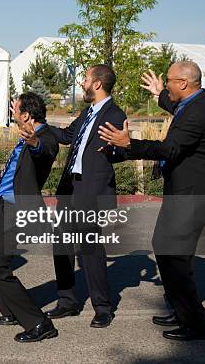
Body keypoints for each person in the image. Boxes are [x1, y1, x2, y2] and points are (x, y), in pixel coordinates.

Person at [98, 61, 205, 341]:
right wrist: (158, 95)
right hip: (185, 195)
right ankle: (181, 310)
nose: (165, 85)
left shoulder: (197, 111)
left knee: (172, 256)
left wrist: (128, 144)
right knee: (172, 255)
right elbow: (177, 106)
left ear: (184, 84)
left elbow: (169, 148)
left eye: (168, 81)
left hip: (191, 198)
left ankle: (196, 324)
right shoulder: (194, 101)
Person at [0, 92, 60, 343]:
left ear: (27, 115)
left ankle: (40, 323)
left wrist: (35, 143)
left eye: (16, 111)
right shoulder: (26, 132)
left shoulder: (44, 137)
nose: (13, 114)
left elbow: (45, 151)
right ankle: (11, 311)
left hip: (15, 209)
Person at [46, 64, 127, 328]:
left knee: (90, 249)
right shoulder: (87, 113)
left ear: (97, 83)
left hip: (90, 192)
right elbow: (68, 136)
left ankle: (102, 307)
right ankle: (67, 301)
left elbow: (118, 153)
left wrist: (118, 146)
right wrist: (38, 125)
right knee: (62, 245)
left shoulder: (114, 115)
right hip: (70, 188)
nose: (82, 83)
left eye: (85, 79)